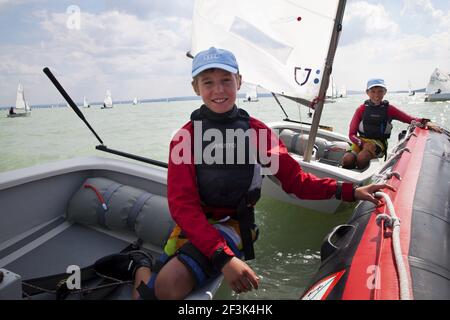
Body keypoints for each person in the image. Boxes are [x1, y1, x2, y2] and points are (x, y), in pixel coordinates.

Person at [94, 47, 395, 300]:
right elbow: (182, 207)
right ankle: (139, 265)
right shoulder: (184, 139)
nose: (219, 89)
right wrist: (223, 258)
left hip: (235, 224)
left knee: (168, 287)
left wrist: (348, 191)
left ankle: (147, 267)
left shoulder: (257, 133)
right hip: (195, 224)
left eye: (226, 80)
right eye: (208, 82)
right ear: (195, 88)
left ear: (239, 81)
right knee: (149, 295)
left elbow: (296, 182)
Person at [342, 78, 442, 170]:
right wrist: (363, 144)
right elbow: (351, 134)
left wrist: (425, 122)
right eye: (373, 91)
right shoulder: (361, 109)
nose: (376, 95)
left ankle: (361, 184)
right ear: (367, 93)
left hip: (379, 143)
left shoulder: (389, 109)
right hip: (361, 141)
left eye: (380, 91)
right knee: (347, 160)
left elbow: (409, 119)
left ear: (385, 92)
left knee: (362, 158)